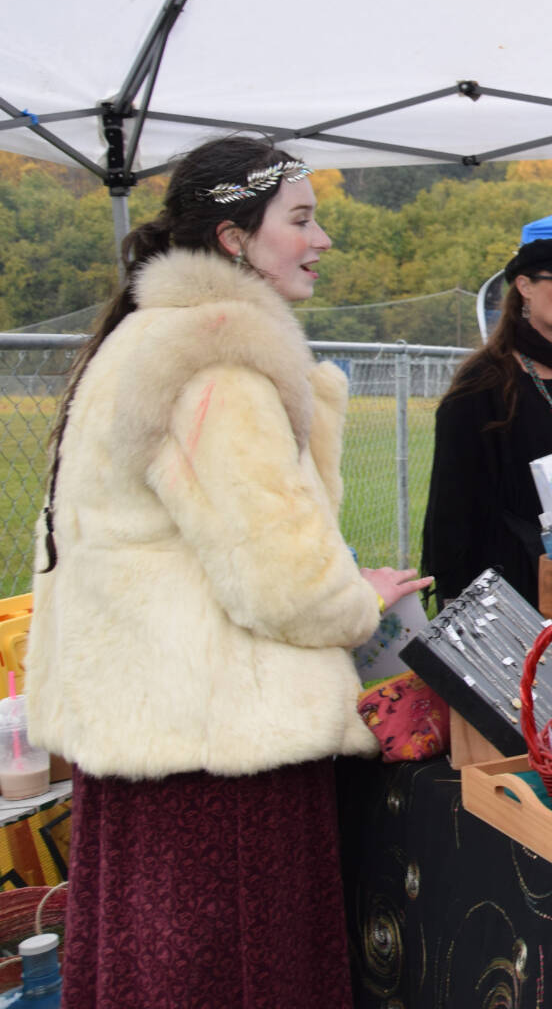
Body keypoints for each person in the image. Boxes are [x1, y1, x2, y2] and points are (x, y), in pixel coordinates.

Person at [25, 136, 431, 1009]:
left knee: (153, 967)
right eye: (303, 219)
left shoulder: (141, 344)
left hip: (153, 738)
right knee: (234, 971)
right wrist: (360, 599)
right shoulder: (213, 359)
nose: (321, 241)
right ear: (234, 238)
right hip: (221, 756)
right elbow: (281, 580)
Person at [421, 238, 552, 608]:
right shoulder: (483, 385)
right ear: (525, 286)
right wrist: (454, 593)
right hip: (506, 585)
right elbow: (451, 503)